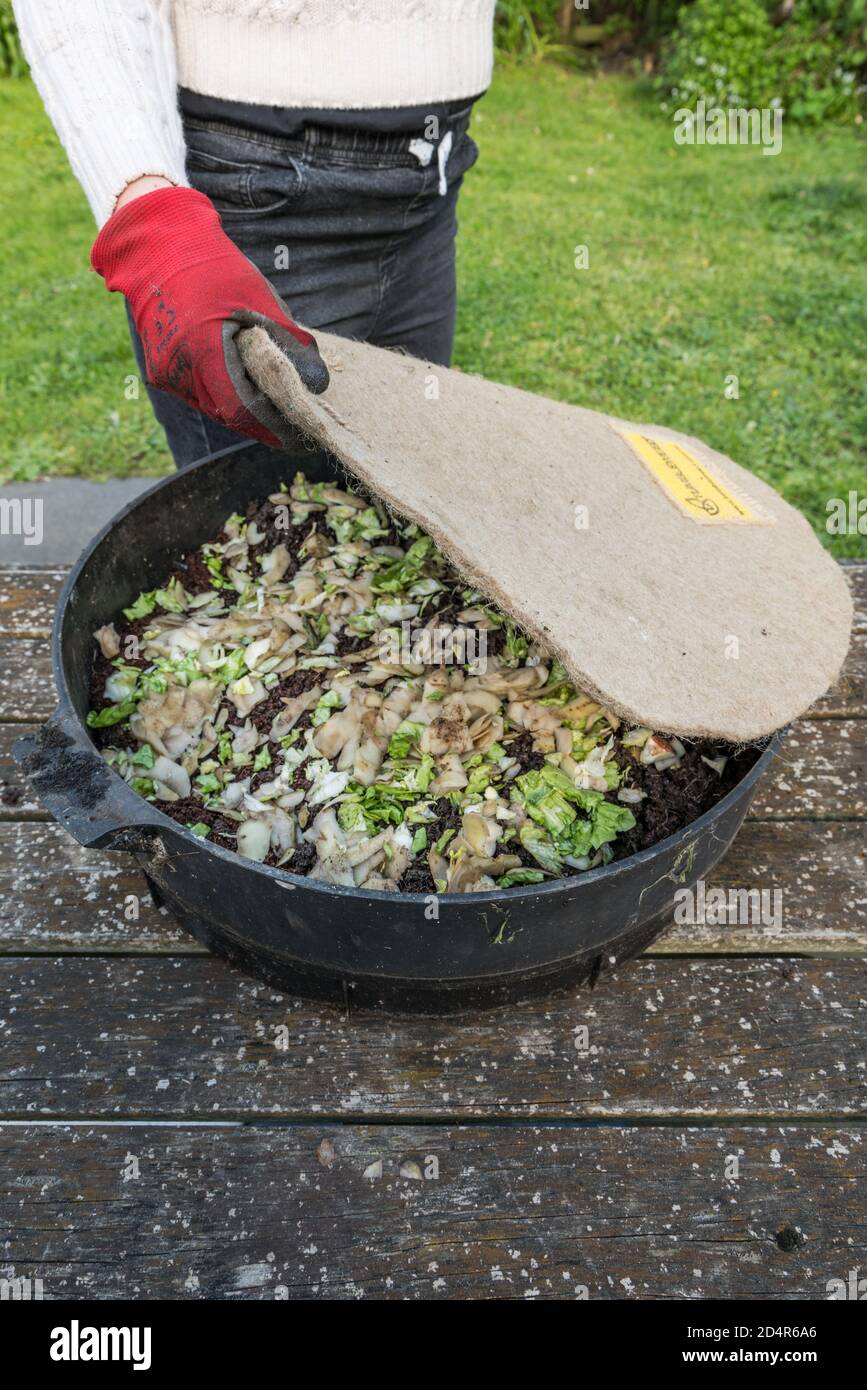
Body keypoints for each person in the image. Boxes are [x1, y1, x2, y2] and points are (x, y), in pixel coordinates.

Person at [15, 1, 495, 466]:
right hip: (252, 195)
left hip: (431, 185)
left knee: (412, 499)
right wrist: (151, 218)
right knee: (265, 520)